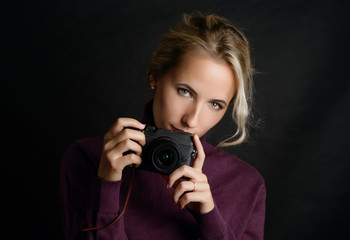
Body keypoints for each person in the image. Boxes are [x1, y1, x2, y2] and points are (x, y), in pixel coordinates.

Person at [60, 13, 266, 240]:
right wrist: (107, 184)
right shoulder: (88, 158)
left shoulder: (245, 184)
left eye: (215, 104)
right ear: (155, 77)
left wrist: (210, 218)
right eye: (185, 91)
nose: (192, 120)